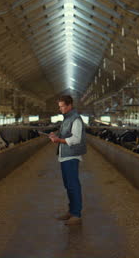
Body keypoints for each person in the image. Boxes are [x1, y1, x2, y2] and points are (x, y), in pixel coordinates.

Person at [49, 95, 86, 225]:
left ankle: (76, 214)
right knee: (68, 185)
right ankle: (71, 211)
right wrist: (56, 135)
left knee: (73, 185)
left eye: (62, 106)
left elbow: (76, 139)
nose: (60, 109)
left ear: (69, 105)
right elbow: (65, 135)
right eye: (59, 107)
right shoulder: (67, 119)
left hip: (71, 156)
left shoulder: (76, 119)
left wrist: (59, 140)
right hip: (64, 156)